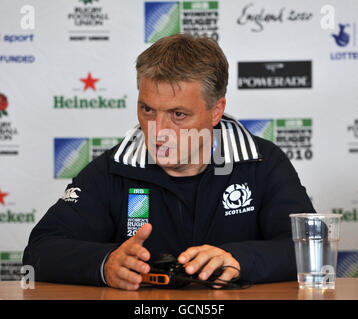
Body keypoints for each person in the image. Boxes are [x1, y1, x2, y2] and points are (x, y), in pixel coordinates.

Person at [23, 34, 315, 290]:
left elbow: (310, 248)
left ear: (216, 111)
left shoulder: (262, 161)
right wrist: (105, 264)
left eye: (178, 115)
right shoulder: (113, 169)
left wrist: (242, 259)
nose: (158, 131)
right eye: (148, 109)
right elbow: (40, 250)